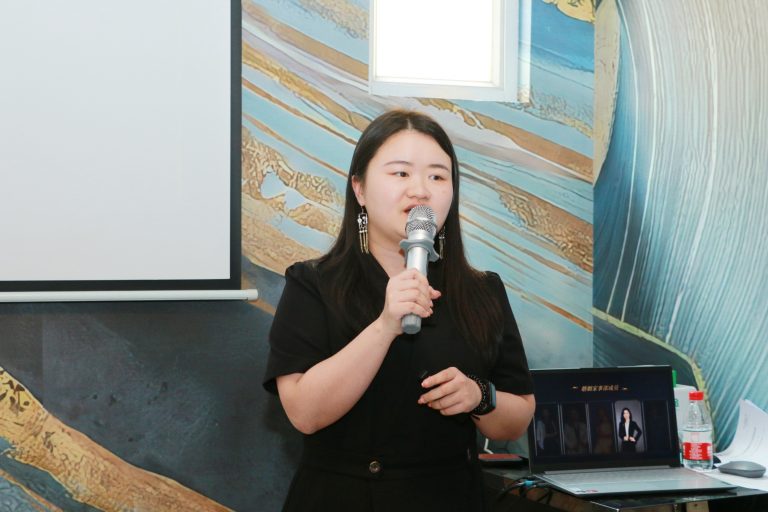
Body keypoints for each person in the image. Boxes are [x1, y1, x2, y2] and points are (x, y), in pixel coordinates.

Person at [263, 110, 535, 511]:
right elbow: (304, 413)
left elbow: (517, 417)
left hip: (449, 497)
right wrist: (385, 325)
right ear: (359, 188)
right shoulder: (313, 283)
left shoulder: (483, 291)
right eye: (401, 173)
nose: (420, 191)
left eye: (438, 177)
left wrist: (479, 396)